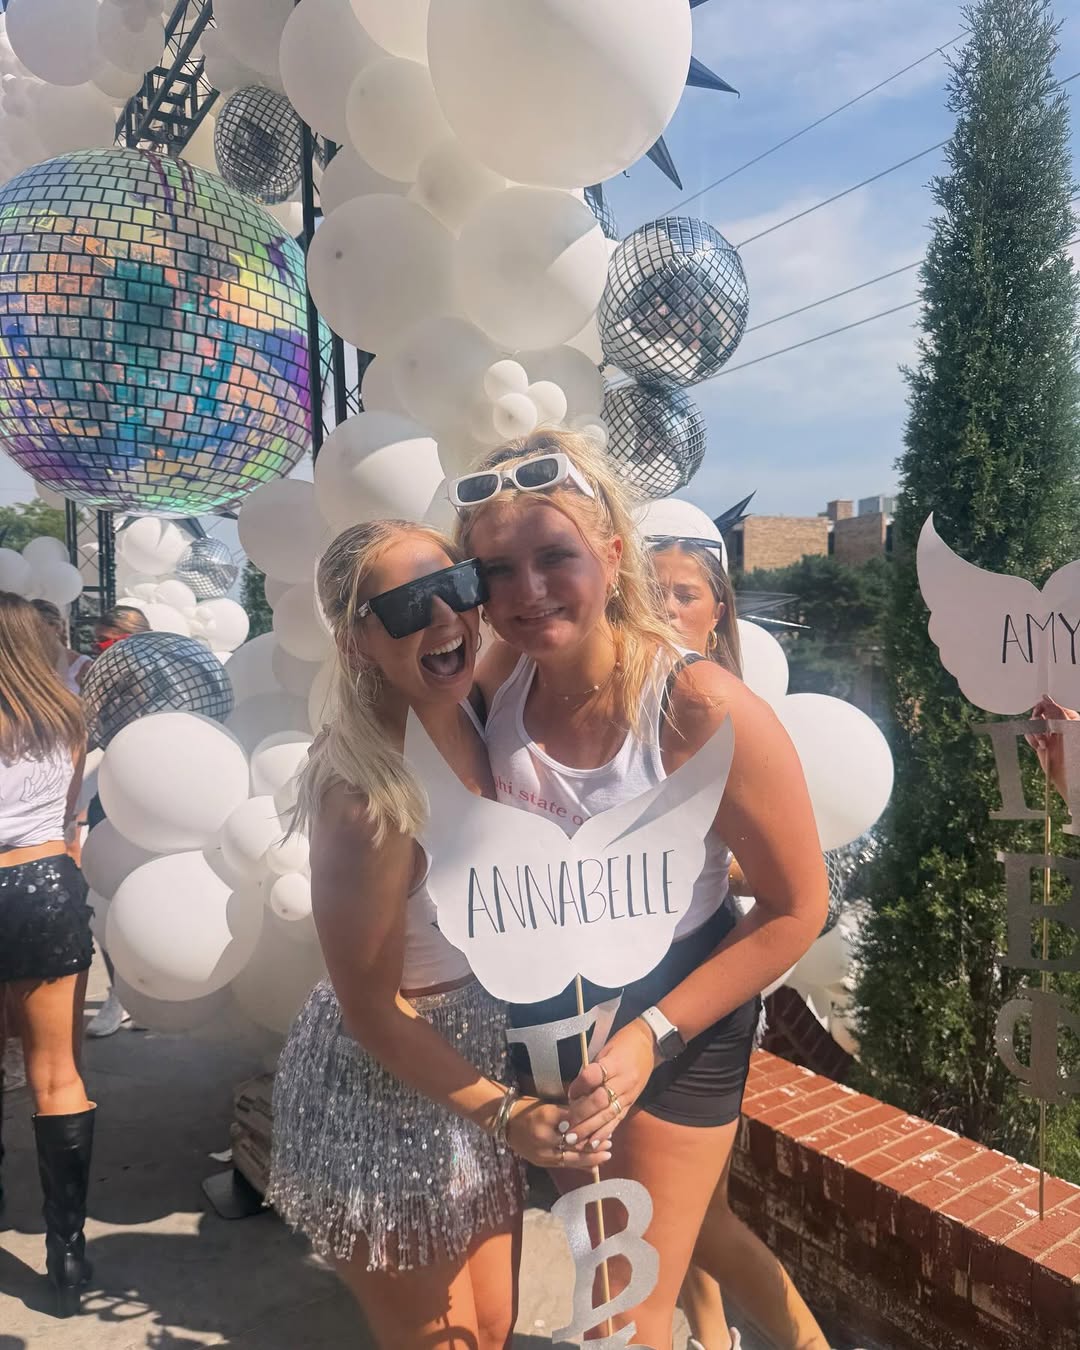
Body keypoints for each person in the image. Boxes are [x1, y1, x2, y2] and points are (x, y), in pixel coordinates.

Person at [455, 431, 829, 1348]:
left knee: (626, 1305)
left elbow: (796, 908)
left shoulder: (699, 706)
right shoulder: (500, 680)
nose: (527, 591)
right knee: (608, 1273)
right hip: (551, 1022)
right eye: (496, 571)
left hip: (677, 1017)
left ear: (613, 555)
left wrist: (651, 1034)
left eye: (555, 557)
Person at [266, 520, 604, 1350]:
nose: (447, 617)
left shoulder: (474, 705)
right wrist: (506, 1113)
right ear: (355, 641)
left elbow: (576, 617)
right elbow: (371, 1011)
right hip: (385, 1090)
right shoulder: (364, 798)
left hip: (479, 1066)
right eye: (411, 605)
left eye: (458, 585)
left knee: (492, 1325)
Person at [650, 538, 829, 1350]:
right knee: (686, 1204)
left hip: (704, 976)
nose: (662, 607)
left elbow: (787, 881)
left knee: (696, 1213)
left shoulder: (723, 711)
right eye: (647, 591)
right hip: (627, 979)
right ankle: (711, 1335)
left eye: (683, 593)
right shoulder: (611, 712)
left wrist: (708, 870)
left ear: (718, 611)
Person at [0, 591, 94, 1318]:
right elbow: (67, 819)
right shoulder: (68, 718)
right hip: (47, 880)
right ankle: (67, 1253)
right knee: (56, 1073)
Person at [83, 604, 150, 1038]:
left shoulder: (169, 680)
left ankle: (149, 992)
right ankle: (117, 993)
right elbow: (87, 737)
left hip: (160, 801)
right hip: (110, 798)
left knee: (151, 897)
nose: (102, 652)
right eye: (98, 645)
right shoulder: (99, 685)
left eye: (108, 643)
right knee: (105, 895)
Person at [32, 601, 92, 696]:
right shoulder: (24, 661)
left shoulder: (83, 666)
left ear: (56, 627)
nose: (30, 633)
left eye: (36, 627)